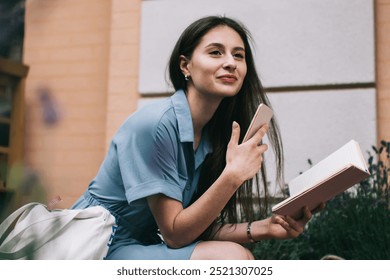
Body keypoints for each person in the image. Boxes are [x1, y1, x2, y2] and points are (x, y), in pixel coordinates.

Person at [72, 15, 320, 260]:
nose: (230, 63)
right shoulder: (155, 124)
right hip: (98, 246)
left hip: (142, 244)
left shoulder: (213, 135)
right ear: (185, 66)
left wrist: (265, 227)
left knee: (239, 257)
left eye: (238, 55)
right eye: (215, 52)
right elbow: (175, 234)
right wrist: (232, 176)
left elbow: (192, 226)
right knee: (231, 258)